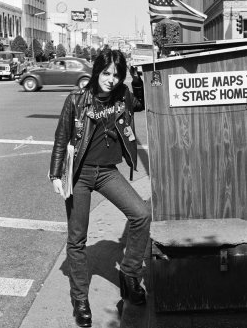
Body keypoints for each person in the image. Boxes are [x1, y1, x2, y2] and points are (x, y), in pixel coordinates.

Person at [49, 49, 151, 327]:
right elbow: (61, 137)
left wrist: (139, 79)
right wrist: (55, 174)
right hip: (79, 175)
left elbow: (140, 102)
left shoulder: (123, 95)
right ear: (96, 72)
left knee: (141, 214)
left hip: (107, 172)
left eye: (117, 75)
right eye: (106, 73)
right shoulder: (76, 100)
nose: (111, 79)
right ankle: (80, 300)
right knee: (77, 238)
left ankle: (129, 274)